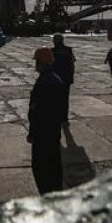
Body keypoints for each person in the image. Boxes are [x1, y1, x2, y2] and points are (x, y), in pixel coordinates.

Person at [28, 47, 67, 195]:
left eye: (36, 61)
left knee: (41, 169)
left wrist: (33, 132)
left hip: (43, 132)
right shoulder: (54, 79)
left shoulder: (45, 81)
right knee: (54, 166)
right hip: (52, 130)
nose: (35, 65)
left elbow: (38, 110)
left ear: (41, 62)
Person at [51, 33, 75, 124]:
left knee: (55, 99)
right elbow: (73, 63)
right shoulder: (68, 50)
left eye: (54, 40)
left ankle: (58, 117)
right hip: (66, 78)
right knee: (64, 99)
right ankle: (64, 118)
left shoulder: (52, 51)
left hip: (56, 78)